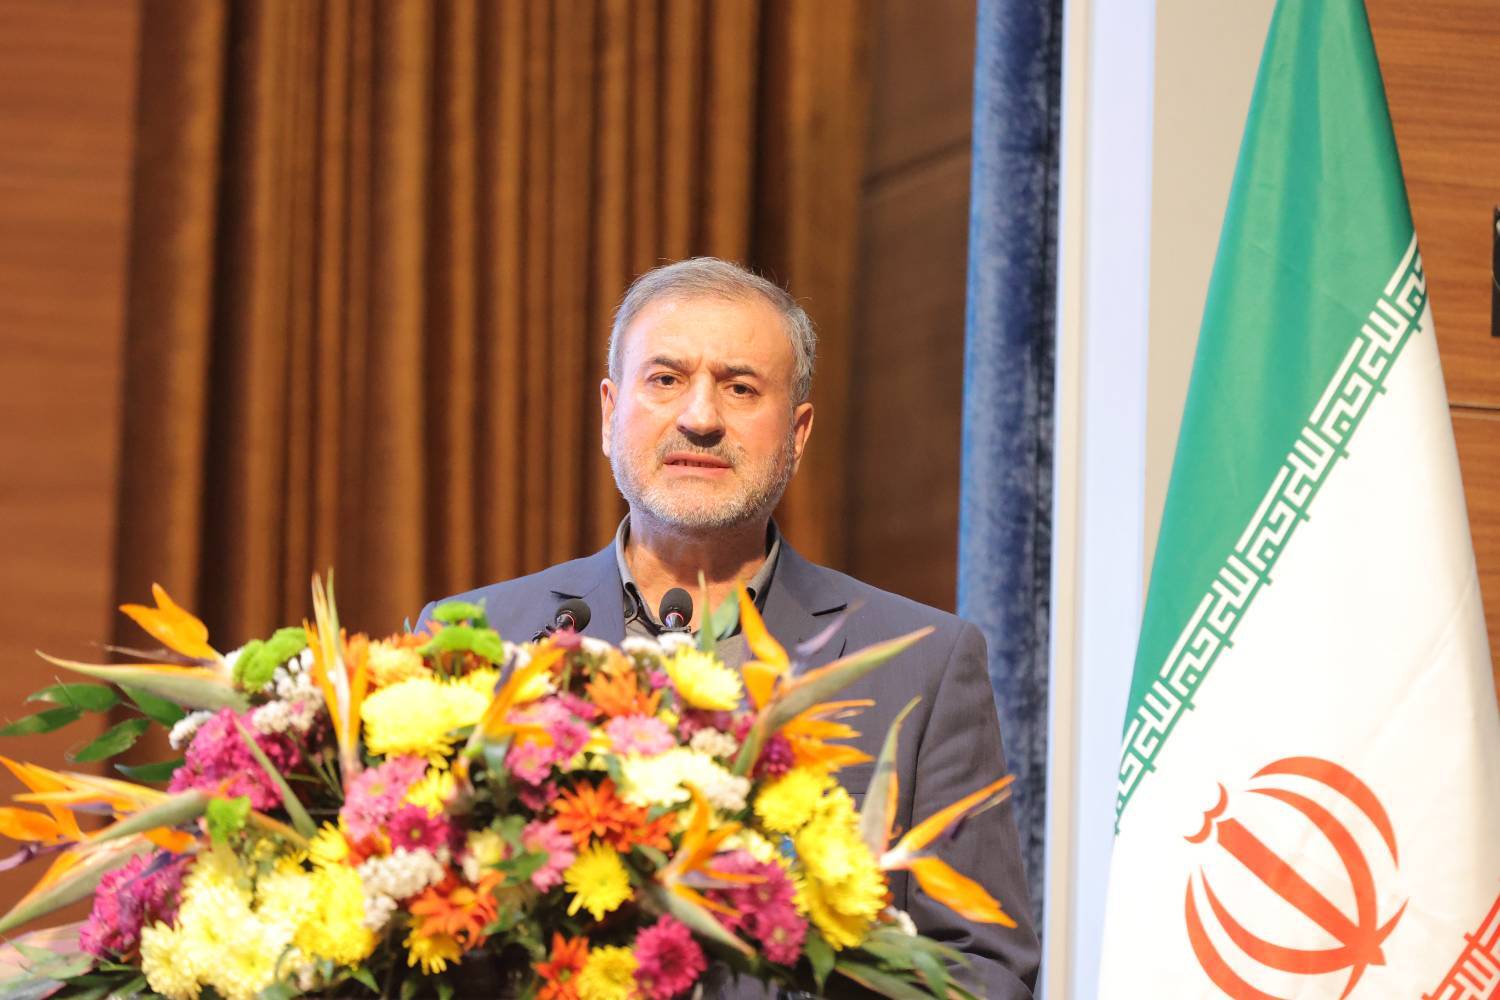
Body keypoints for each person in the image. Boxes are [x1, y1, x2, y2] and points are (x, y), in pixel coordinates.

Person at [418, 258, 1040, 997]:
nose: (700, 418)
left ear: (798, 433)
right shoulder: (478, 640)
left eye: (741, 388)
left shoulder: (922, 666)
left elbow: (983, 972)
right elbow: (411, 925)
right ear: (609, 414)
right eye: (666, 379)